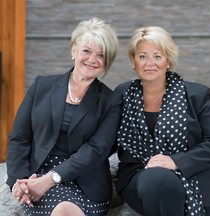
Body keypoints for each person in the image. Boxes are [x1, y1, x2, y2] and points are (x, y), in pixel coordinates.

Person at [6, 17, 122, 216]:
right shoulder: (42, 86)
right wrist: (19, 182)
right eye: (86, 51)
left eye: (101, 55)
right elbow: (20, 137)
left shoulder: (111, 100)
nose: (92, 59)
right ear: (74, 50)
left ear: (106, 62)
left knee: (64, 210)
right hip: (37, 176)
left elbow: (96, 150)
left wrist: (50, 180)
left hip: (86, 184)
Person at [115, 26, 210, 216]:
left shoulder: (197, 94)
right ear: (133, 61)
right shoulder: (123, 95)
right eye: (142, 56)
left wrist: (176, 161)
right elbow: (104, 140)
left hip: (202, 179)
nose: (149, 63)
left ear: (168, 61)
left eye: (157, 56)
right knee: (159, 179)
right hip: (144, 176)